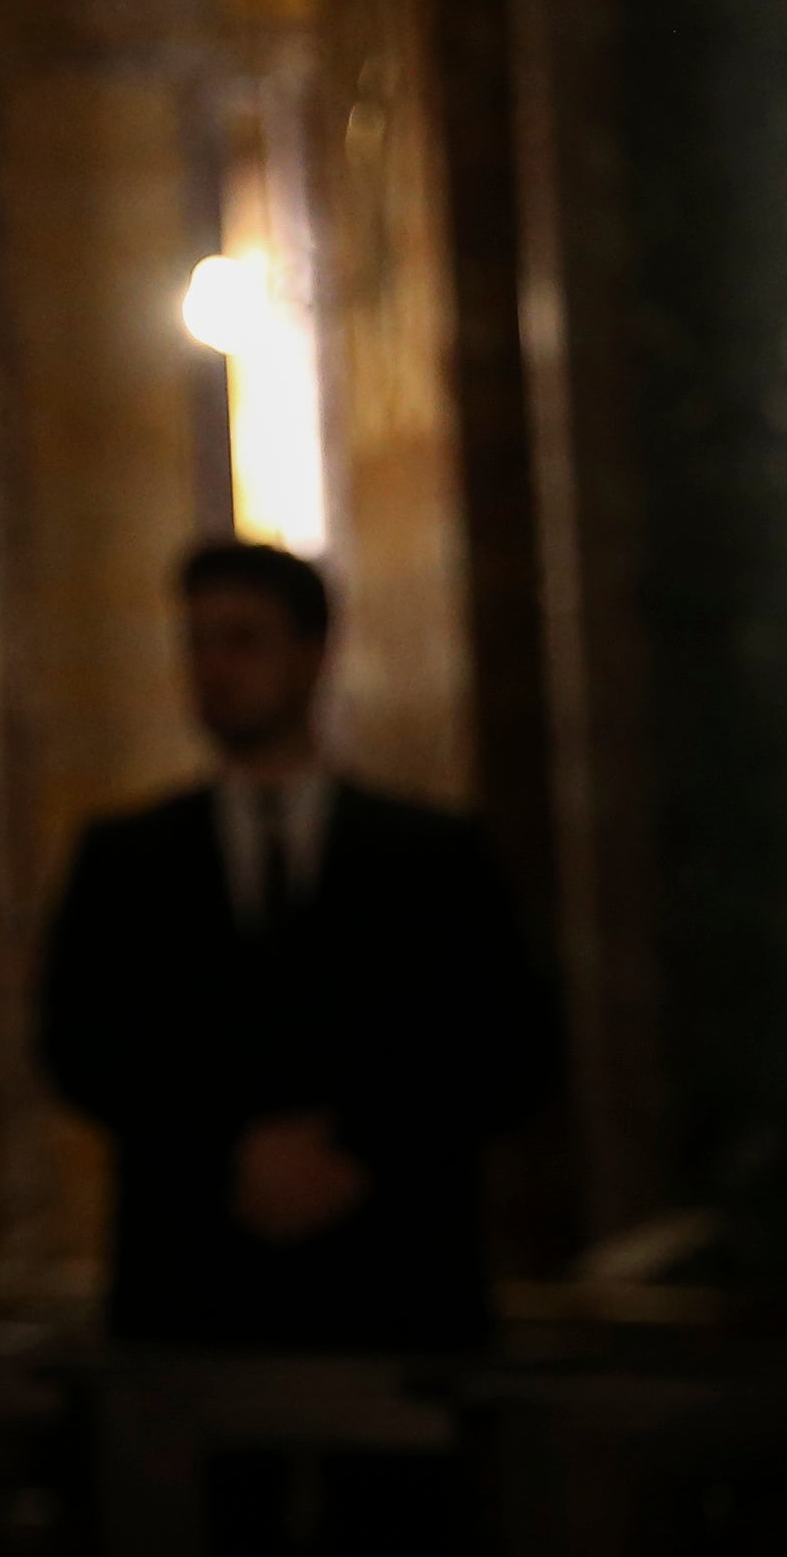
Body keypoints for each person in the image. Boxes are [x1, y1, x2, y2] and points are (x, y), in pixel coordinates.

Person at [37, 542, 557, 1349]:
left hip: (396, 1284)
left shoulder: (435, 857)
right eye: (198, 642)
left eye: (243, 640)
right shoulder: (127, 859)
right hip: (193, 1290)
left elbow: (506, 1047)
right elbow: (82, 1042)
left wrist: (361, 1152)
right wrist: (227, 1149)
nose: (213, 668)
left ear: (313, 654)